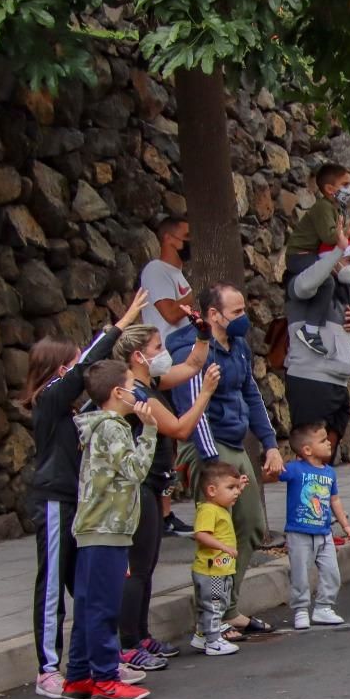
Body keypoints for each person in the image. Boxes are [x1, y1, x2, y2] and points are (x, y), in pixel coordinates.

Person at [23, 292, 145, 699]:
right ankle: (47, 668)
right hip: (55, 500)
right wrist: (120, 323)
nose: (83, 371)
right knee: (54, 583)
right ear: (61, 370)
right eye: (75, 364)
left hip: (79, 506)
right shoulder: (49, 400)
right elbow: (84, 371)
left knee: (89, 587)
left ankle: (98, 663)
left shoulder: (74, 410)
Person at [168, 284, 285, 636]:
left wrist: (270, 443)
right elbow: (193, 408)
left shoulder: (239, 347)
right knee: (216, 531)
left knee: (249, 526)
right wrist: (212, 463)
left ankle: (228, 609)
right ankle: (211, 617)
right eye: (236, 312)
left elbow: (250, 392)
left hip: (233, 443)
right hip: (207, 445)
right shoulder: (191, 350)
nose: (244, 318)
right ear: (212, 315)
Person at [112, 325, 219, 671]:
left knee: (148, 564)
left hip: (154, 485)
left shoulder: (151, 384)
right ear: (138, 357)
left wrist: (203, 332)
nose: (163, 351)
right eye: (158, 346)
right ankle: (128, 642)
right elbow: (179, 428)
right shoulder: (138, 395)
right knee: (138, 568)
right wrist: (204, 394)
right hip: (138, 486)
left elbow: (190, 364)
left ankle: (141, 634)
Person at [62, 360, 158, 699]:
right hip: (108, 528)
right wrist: (148, 430)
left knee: (89, 605)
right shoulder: (114, 427)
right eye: (132, 385)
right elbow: (135, 470)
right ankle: (104, 677)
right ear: (118, 392)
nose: (137, 391)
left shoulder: (97, 427)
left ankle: (78, 676)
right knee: (103, 607)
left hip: (94, 527)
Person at [284, 215, 350, 464]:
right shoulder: (303, 284)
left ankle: (324, 503)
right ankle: (305, 503)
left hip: (338, 382)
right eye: (348, 260)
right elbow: (309, 282)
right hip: (310, 380)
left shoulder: (343, 291)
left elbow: (342, 333)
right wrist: (336, 249)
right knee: (309, 457)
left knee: (326, 460)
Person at [137, 218, 197, 537]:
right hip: (160, 366)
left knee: (173, 442)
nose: (191, 241)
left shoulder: (178, 275)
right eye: (186, 236)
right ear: (169, 238)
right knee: (167, 438)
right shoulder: (156, 271)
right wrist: (194, 292)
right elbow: (171, 314)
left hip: (177, 363)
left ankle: (166, 511)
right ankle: (161, 513)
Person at [283, 164, 350, 356]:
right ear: (330, 189)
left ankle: (349, 334)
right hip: (301, 257)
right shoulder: (323, 207)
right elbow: (331, 238)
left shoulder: (335, 209)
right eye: (345, 184)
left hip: (315, 256)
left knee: (346, 279)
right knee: (327, 282)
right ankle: (311, 330)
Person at [281, 423, 350, 629]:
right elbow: (273, 473)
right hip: (299, 533)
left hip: (324, 534)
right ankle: (301, 609)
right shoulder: (295, 469)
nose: (329, 442)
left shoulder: (330, 472)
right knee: (300, 574)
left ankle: (324, 607)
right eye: (322, 440)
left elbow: (335, 500)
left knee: (332, 572)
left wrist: (345, 524)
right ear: (307, 450)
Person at [190, 463, 244, 658]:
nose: (236, 492)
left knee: (217, 603)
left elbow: (228, 493)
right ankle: (213, 641)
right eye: (231, 488)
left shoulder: (219, 507)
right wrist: (224, 548)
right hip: (211, 570)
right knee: (214, 604)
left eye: (237, 487)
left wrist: (237, 485)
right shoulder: (209, 510)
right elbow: (201, 534)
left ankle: (203, 635)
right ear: (211, 490)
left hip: (220, 569)